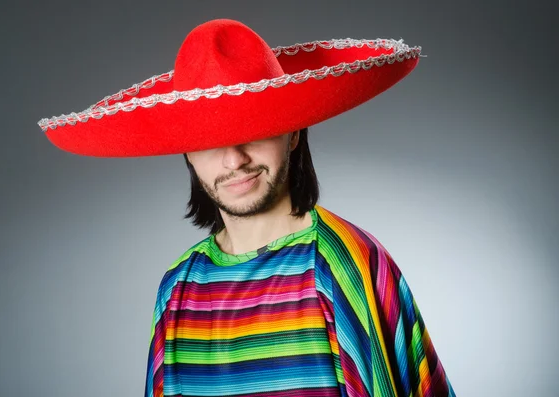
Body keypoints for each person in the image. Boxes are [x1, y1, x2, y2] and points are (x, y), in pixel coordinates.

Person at [38, 18, 455, 397]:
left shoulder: (341, 264)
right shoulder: (178, 288)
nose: (234, 160)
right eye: (208, 140)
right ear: (186, 153)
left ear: (293, 134)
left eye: (254, 131)